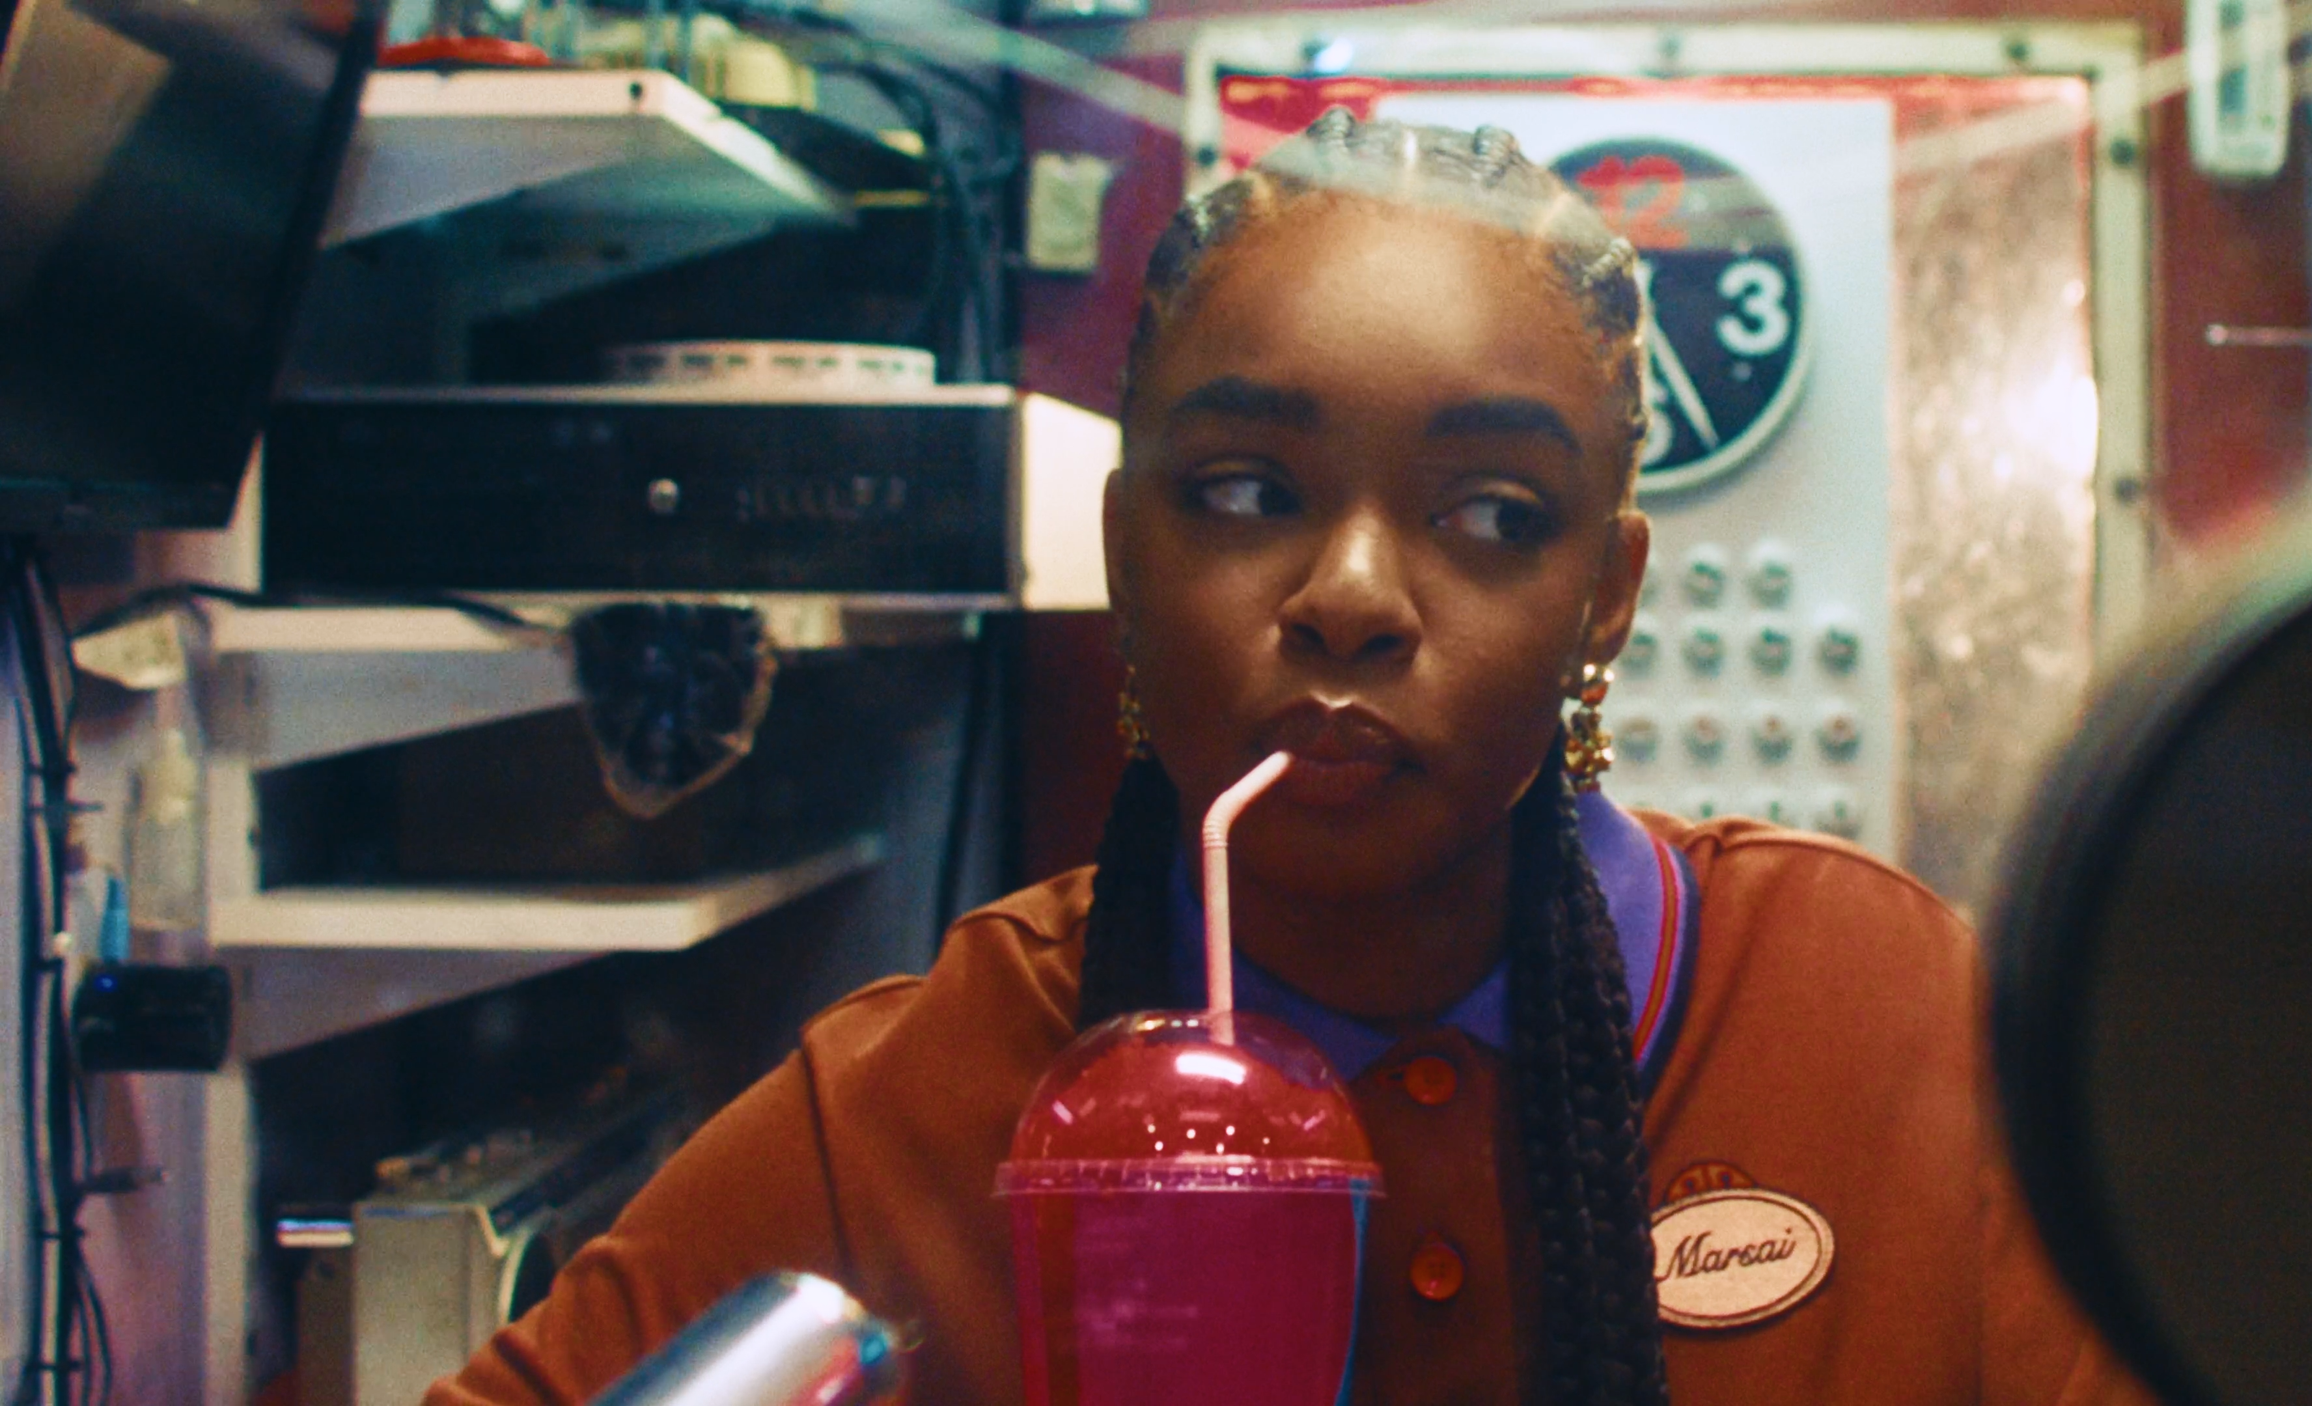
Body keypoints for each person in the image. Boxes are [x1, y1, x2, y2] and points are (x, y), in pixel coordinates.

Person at [429, 111, 2151, 1406]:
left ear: (1603, 598)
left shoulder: (1891, 1017)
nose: (1348, 598)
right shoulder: (914, 1104)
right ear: (1123, 556)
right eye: (1246, 492)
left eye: (1491, 514)